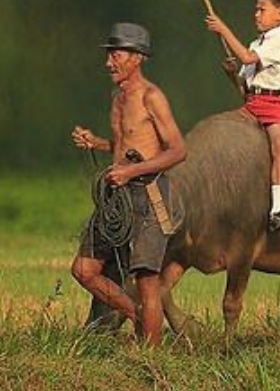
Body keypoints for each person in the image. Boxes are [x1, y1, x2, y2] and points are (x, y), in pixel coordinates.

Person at [70, 22, 187, 346]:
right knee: (83, 270)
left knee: (147, 281)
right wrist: (97, 143)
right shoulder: (118, 96)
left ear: (137, 57)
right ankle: (133, 312)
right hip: (116, 197)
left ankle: (150, 363)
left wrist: (131, 173)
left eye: (116, 54)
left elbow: (178, 150)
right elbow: (129, 143)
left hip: (148, 196)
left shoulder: (152, 97)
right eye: (109, 55)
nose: (109, 62)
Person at [205, 0, 280, 232]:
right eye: (256, 9)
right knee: (223, 131)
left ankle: (278, 210)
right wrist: (230, 74)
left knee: (279, 143)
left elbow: (247, 58)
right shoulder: (257, 43)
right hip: (253, 103)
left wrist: (223, 29)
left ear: (279, 14)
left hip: (277, 105)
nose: (256, 15)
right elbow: (244, 88)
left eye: (262, 10)